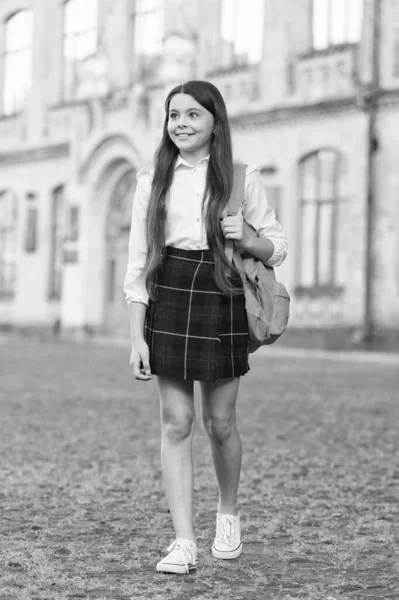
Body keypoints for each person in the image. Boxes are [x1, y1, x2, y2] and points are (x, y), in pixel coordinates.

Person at [124, 80, 287, 575]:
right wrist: (136, 335)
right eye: (174, 115)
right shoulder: (153, 179)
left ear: (215, 121)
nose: (181, 124)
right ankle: (183, 541)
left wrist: (249, 236)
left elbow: (276, 246)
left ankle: (228, 514)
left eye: (193, 115)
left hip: (222, 289)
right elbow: (138, 263)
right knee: (176, 423)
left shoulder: (241, 177)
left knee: (220, 423)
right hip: (170, 289)